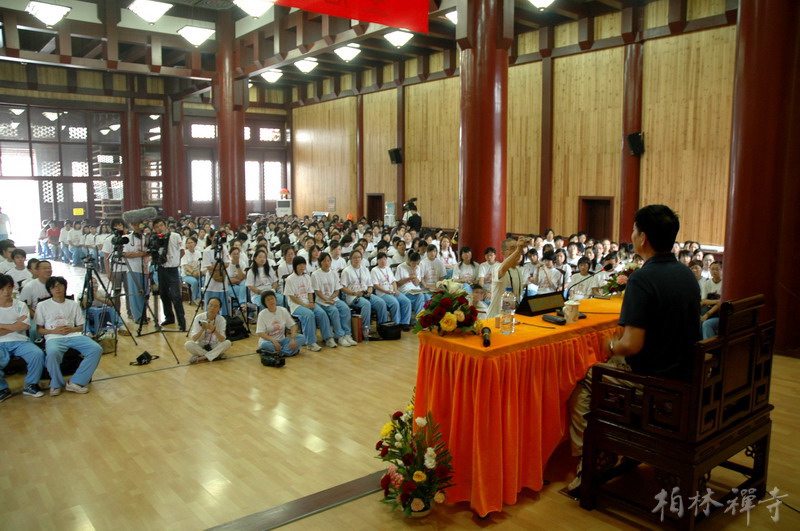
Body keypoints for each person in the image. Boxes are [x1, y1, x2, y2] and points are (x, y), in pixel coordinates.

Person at [567, 204, 701, 492]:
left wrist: (610, 345)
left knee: (586, 381)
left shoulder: (643, 278)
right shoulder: (686, 274)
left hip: (655, 381)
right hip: (685, 373)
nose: (631, 235)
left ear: (643, 238)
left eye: (633, 230)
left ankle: (590, 461)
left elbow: (631, 344)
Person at [36, 277, 103, 395]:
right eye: (54, 287)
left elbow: (80, 327)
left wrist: (72, 329)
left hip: (74, 335)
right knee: (52, 353)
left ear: (65, 287)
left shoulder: (73, 304)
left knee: (96, 349)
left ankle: (76, 382)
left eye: (60, 286)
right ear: (49, 290)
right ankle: (56, 383)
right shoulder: (42, 305)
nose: (57, 289)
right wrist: (53, 331)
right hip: (54, 337)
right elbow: (39, 329)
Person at [0, 274, 45, 401]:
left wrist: (2, 325)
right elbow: (19, 325)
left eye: (9, 288)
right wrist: (15, 325)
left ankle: (31, 384)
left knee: (37, 354)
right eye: (2, 289)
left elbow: (24, 326)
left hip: (20, 341)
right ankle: (2, 388)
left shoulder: (20, 305)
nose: (6, 292)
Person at [283, 256, 334, 352]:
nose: (302, 267)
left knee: (321, 313)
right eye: (299, 265)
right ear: (295, 266)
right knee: (309, 314)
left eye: (303, 264)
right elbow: (292, 297)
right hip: (296, 305)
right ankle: (310, 342)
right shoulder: (290, 279)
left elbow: (310, 292)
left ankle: (328, 338)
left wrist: (311, 302)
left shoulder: (307, 277)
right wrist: (304, 305)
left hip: (308, 303)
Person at [311, 253, 357, 346]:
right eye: (324, 261)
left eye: (328, 260)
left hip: (334, 299)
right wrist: (326, 299)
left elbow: (337, 290)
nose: (327, 263)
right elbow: (317, 291)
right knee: (334, 310)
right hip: (322, 301)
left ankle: (347, 334)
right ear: (320, 262)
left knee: (345, 308)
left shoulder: (334, 273)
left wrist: (331, 298)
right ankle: (340, 336)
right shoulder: (315, 274)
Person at [152, 218, 186, 330]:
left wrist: (175, 261)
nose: (159, 228)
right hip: (161, 268)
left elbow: (182, 251)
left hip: (172, 269)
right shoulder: (155, 238)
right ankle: (169, 317)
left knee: (176, 295)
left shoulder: (175, 236)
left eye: (161, 225)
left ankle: (182, 322)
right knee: (163, 294)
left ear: (165, 225)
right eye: (156, 227)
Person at [486, 236, 527, 319]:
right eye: (512, 248)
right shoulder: (497, 267)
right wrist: (518, 250)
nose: (516, 251)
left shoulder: (518, 271)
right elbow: (503, 269)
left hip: (510, 317)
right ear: (503, 253)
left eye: (517, 247)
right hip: (495, 318)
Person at [370, 252, 412, 330]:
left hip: (392, 291)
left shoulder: (388, 268)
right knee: (395, 303)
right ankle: (396, 324)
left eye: (384, 259)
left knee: (406, 301)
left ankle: (405, 323)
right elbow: (376, 285)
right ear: (377, 260)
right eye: (380, 259)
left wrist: (395, 290)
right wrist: (386, 292)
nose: (383, 261)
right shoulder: (374, 270)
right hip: (382, 293)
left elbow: (393, 281)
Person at [256, 290, 305, 356]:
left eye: (272, 298)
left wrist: (293, 339)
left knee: (301, 337)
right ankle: (288, 352)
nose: (271, 301)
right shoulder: (262, 314)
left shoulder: (283, 310)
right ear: (265, 303)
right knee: (264, 345)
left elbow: (293, 325)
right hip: (269, 342)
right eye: (268, 300)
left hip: (282, 340)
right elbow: (260, 333)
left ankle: (278, 353)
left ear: (276, 299)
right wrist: (274, 341)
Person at [185, 297, 231, 363]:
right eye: (211, 305)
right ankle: (215, 355)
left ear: (219, 309)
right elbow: (194, 338)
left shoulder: (222, 320)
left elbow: (222, 339)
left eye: (216, 306)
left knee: (228, 343)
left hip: (214, 345)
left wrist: (214, 330)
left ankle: (202, 357)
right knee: (188, 344)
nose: (212, 308)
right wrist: (202, 329)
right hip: (201, 344)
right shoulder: (199, 317)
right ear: (207, 306)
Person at [123, 222, 150, 323]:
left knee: (146, 293)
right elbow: (125, 254)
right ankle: (137, 316)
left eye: (140, 224)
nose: (138, 226)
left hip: (146, 269)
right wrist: (141, 254)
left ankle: (144, 314)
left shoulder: (146, 238)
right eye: (135, 224)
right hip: (133, 269)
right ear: (132, 225)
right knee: (135, 294)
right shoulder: (127, 238)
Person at [395, 251, 429, 324]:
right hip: (405, 290)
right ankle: (418, 321)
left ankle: (425, 320)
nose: (415, 265)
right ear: (409, 260)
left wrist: (415, 275)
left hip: (416, 290)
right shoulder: (400, 267)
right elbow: (398, 284)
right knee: (420, 296)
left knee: (427, 297)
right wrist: (409, 278)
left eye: (417, 263)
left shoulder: (417, 268)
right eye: (413, 263)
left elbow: (416, 284)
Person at [181, 236, 203, 303]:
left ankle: (200, 297)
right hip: (187, 275)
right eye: (188, 243)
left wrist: (199, 272)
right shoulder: (184, 253)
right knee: (194, 282)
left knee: (203, 280)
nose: (190, 244)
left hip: (197, 273)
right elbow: (185, 265)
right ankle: (194, 298)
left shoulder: (198, 253)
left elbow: (200, 264)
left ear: (195, 244)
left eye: (191, 242)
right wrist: (193, 272)